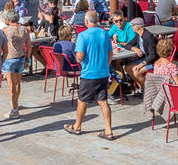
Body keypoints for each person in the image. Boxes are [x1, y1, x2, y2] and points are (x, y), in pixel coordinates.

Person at [63, 10, 114, 139]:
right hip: (103, 73)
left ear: (86, 21)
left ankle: (77, 126)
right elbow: (110, 54)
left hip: (89, 74)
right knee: (103, 101)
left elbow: (80, 56)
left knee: (82, 101)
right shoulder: (104, 33)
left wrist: (78, 58)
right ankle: (108, 129)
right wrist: (106, 66)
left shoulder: (83, 36)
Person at [1, 9, 32, 118]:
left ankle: (14, 109)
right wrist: (27, 59)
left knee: (11, 86)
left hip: (10, 58)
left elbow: (2, 45)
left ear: (8, 20)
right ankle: (15, 103)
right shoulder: (24, 29)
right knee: (18, 83)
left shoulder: (5, 30)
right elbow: (29, 46)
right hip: (21, 57)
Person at [123, 17, 157, 91]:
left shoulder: (148, 36)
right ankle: (142, 87)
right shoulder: (138, 35)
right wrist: (135, 48)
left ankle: (147, 90)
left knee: (136, 72)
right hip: (144, 58)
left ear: (137, 27)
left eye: (132, 25)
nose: (131, 27)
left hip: (152, 62)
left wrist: (140, 65)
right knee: (127, 68)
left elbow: (152, 55)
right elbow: (128, 45)